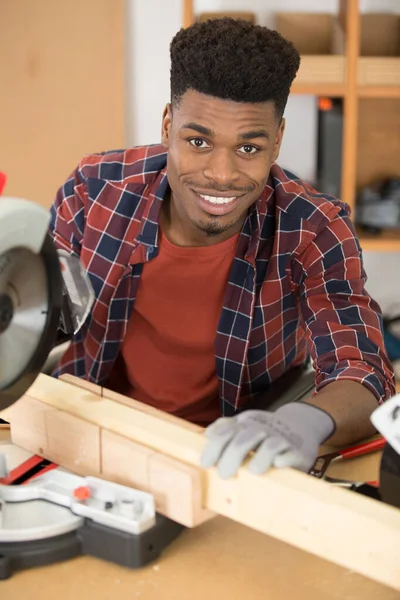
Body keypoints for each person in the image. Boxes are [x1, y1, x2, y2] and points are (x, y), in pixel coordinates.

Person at [49, 18, 395, 479]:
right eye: (198, 141)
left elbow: (363, 366)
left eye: (248, 149)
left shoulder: (313, 226)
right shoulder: (96, 190)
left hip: (237, 459)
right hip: (96, 432)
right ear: (168, 123)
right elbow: (46, 311)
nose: (221, 174)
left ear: (276, 141)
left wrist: (307, 421)